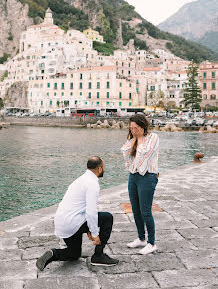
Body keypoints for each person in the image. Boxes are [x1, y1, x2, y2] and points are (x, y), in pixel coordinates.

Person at [36, 156, 119, 270]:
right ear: (99, 169)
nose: (104, 169)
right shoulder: (92, 184)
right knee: (107, 217)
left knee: (74, 254)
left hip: (63, 222)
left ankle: (53, 254)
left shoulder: (80, 180)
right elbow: (91, 212)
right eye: (104, 167)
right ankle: (98, 256)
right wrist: (95, 234)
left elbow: (82, 208)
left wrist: (89, 229)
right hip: (73, 222)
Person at [121, 114, 159, 255]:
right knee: (135, 209)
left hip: (148, 176)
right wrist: (135, 138)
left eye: (135, 128)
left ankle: (152, 243)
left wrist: (139, 138)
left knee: (146, 211)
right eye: (131, 128)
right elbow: (125, 152)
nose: (133, 130)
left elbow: (145, 153)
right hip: (133, 176)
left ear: (143, 126)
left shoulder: (153, 138)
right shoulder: (132, 139)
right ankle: (142, 239)